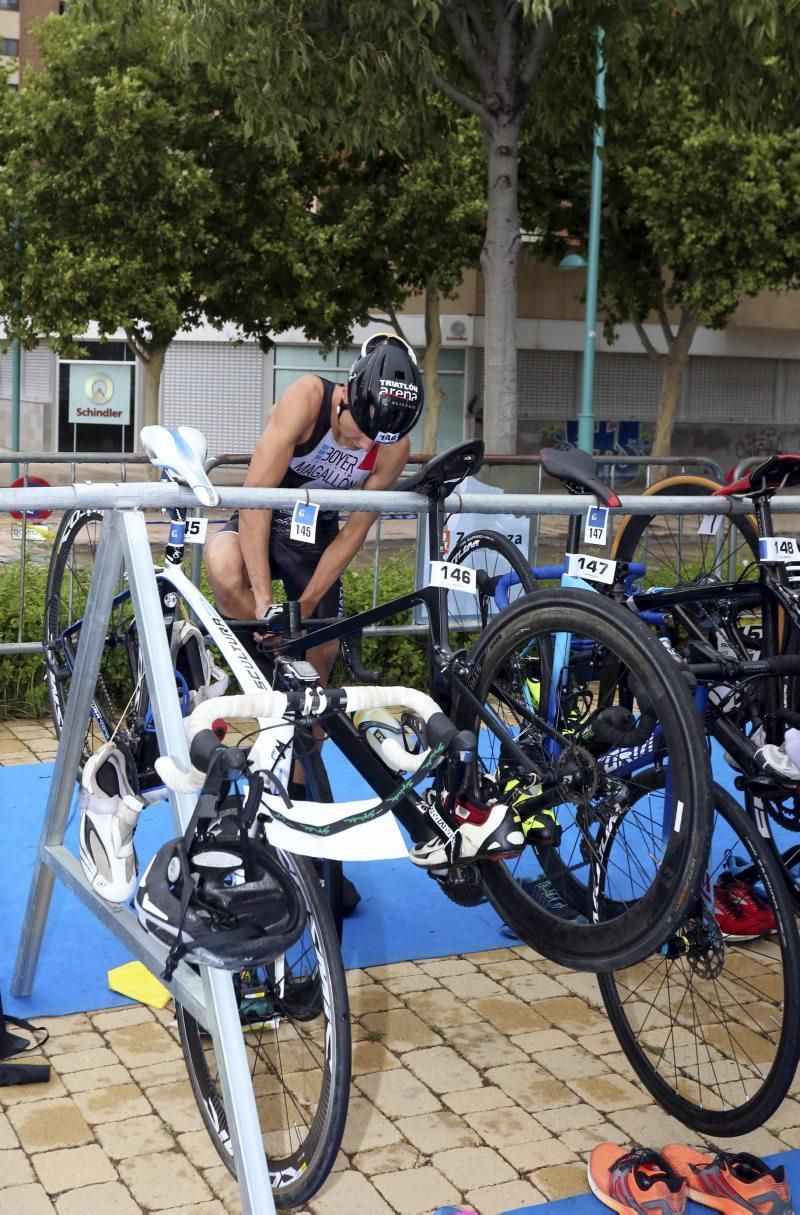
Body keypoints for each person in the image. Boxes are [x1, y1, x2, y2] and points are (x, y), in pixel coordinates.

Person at [204, 332, 425, 914]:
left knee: (314, 691)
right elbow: (254, 499)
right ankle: (245, 668)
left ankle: (305, 845)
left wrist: (303, 617)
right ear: (347, 394)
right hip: (264, 524)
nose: (358, 443)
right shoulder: (305, 398)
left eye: (374, 440)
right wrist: (258, 602)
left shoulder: (392, 447)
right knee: (221, 564)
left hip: (316, 544)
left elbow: (352, 534)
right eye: (354, 430)